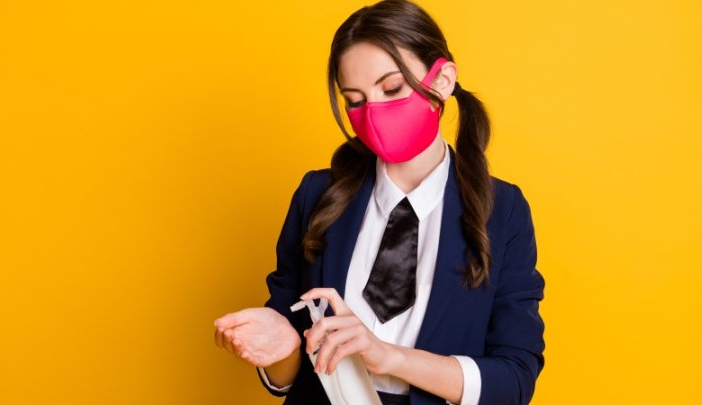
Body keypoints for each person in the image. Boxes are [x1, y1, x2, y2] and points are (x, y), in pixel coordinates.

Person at [213, 1, 545, 404]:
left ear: (442, 80)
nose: (372, 113)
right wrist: (281, 347)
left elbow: (514, 380)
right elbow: (287, 374)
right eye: (355, 100)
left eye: (391, 88)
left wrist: (387, 357)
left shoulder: (503, 211)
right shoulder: (317, 196)